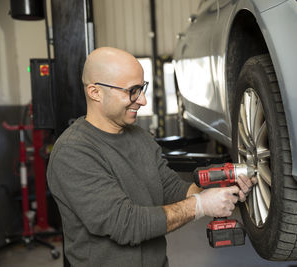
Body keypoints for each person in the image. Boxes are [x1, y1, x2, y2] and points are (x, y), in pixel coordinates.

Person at [47, 47, 257, 267]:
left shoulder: (140, 137)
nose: (143, 100)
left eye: (142, 88)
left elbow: (170, 189)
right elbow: (126, 224)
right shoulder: (73, 152)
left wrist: (217, 190)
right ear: (95, 92)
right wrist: (200, 206)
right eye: (132, 91)